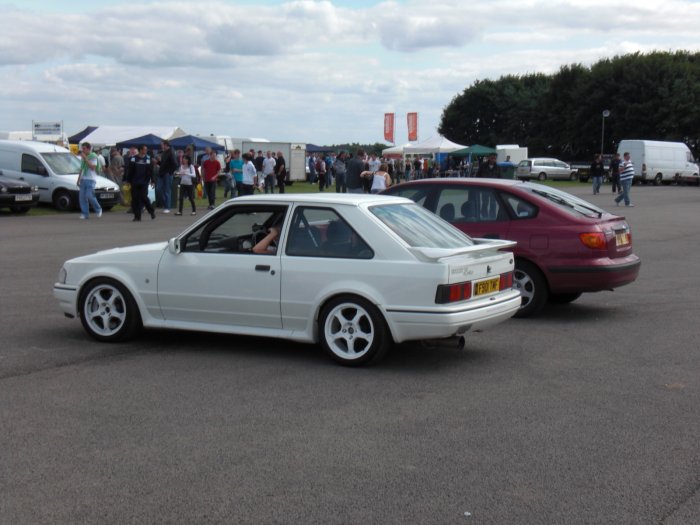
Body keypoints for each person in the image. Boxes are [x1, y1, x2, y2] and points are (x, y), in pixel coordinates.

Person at [125, 144, 156, 222]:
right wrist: (128, 180)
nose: (145, 151)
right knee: (135, 199)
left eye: (146, 150)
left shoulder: (148, 159)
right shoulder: (133, 159)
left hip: (144, 182)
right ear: (140, 150)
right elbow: (130, 170)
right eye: (144, 149)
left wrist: (152, 180)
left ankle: (151, 211)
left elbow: (151, 170)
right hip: (134, 181)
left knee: (144, 197)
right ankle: (137, 216)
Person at [77, 142, 103, 219]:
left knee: (89, 195)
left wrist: (85, 158)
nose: (83, 150)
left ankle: (98, 209)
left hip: (91, 179)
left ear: (88, 149)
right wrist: (78, 179)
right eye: (82, 148)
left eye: (84, 148)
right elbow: (81, 169)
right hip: (83, 179)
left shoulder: (93, 156)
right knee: (82, 197)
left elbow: (92, 167)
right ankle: (85, 214)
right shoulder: (83, 157)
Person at [157, 139, 177, 213]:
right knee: (159, 188)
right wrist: (159, 162)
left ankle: (167, 207)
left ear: (166, 145)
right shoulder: (164, 152)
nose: (161, 146)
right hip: (161, 173)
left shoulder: (171, 152)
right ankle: (165, 204)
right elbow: (163, 164)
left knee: (167, 190)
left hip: (167, 174)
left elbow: (175, 164)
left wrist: (170, 172)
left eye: (162, 144)